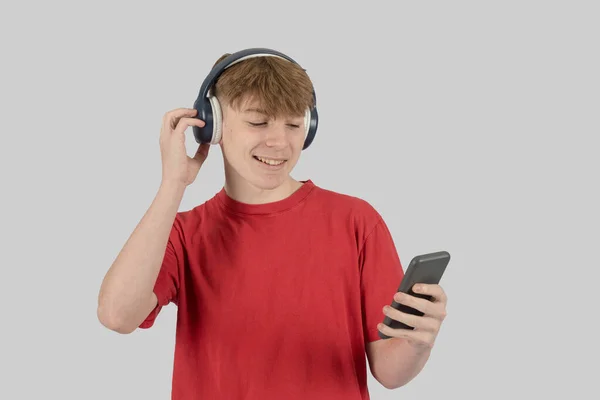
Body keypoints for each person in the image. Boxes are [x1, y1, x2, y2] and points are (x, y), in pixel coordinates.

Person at [97, 48, 448, 400]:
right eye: (258, 122)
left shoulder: (357, 222)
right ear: (213, 123)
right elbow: (117, 315)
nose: (279, 142)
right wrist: (173, 183)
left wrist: (418, 342)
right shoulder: (184, 234)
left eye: (294, 124)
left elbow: (388, 371)